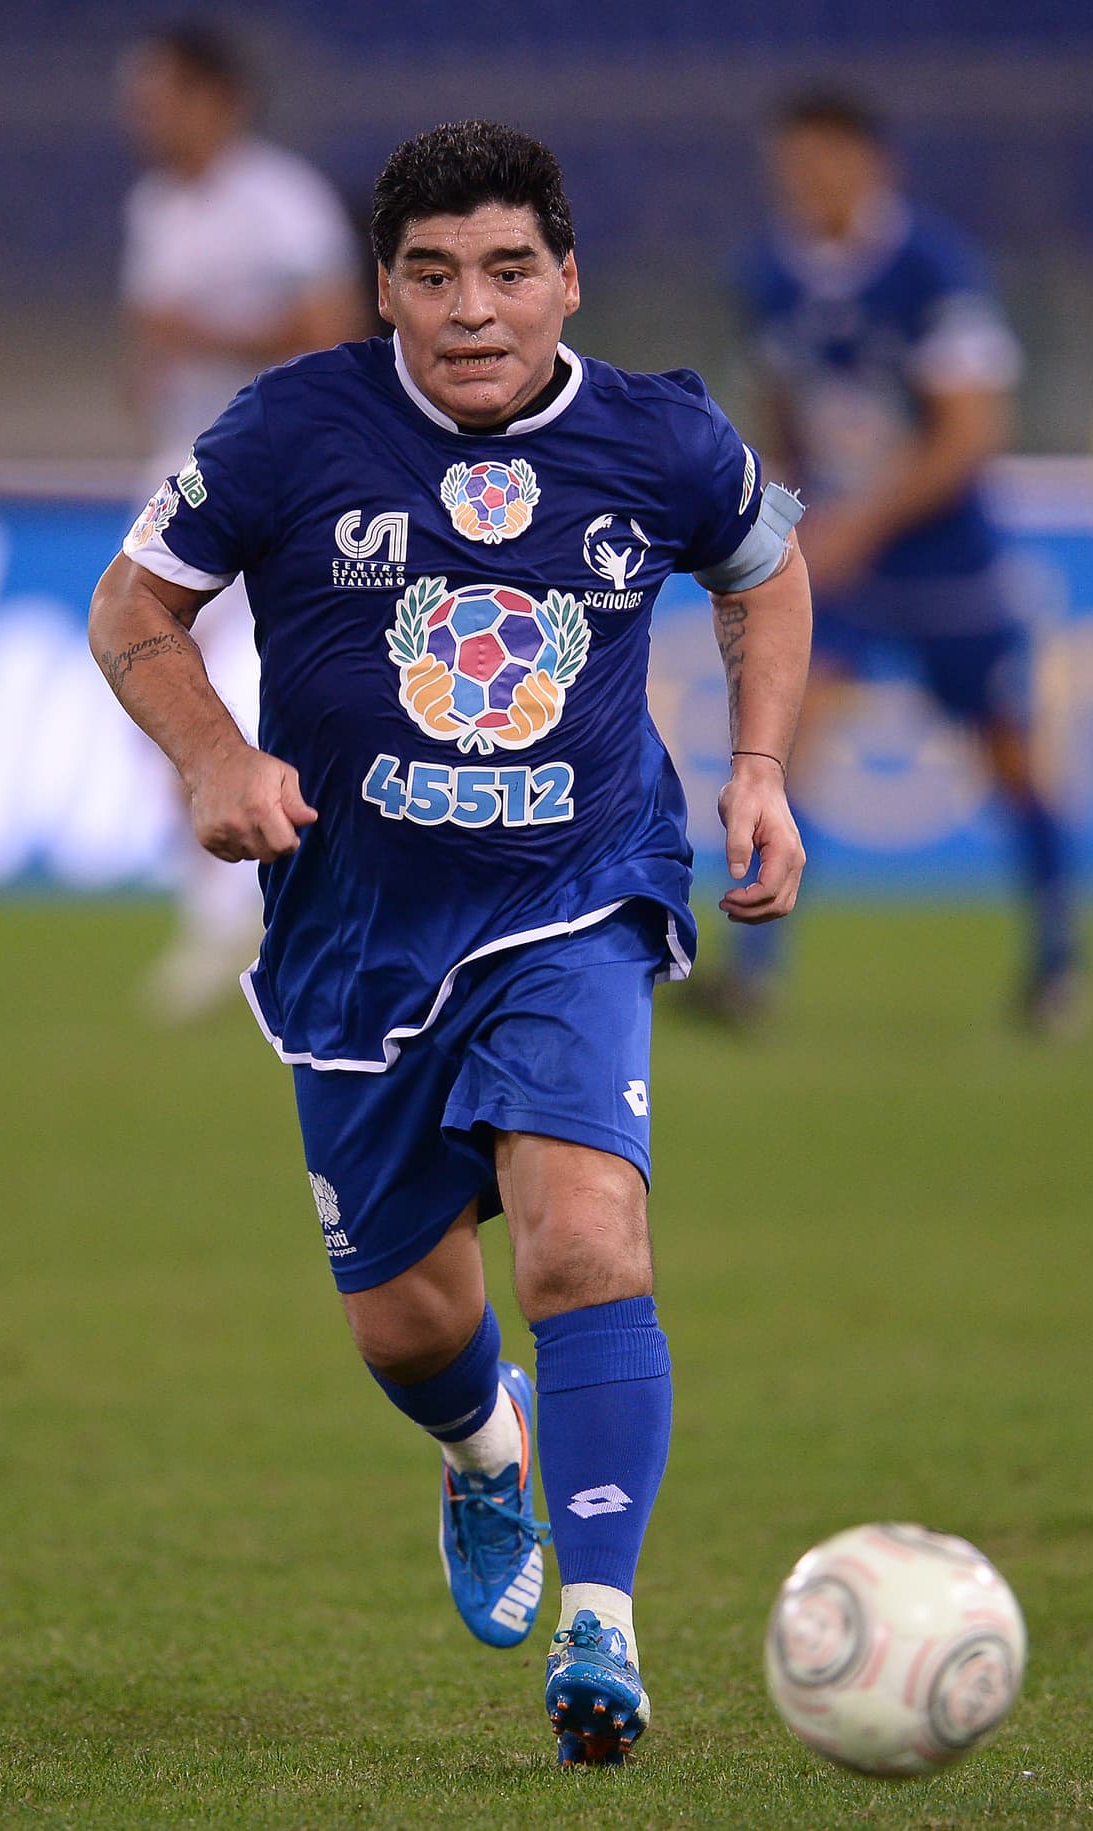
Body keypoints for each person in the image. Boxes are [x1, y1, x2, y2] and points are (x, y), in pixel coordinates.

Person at [90, 120, 811, 1766]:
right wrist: (214, 756)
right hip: (358, 933)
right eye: (432, 275)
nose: (471, 309)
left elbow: (767, 576)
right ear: (386, 290)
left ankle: (605, 1630)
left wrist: (758, 768)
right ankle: (489, 1453)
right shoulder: (292, 429)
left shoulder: (661, 437)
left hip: (575, 896)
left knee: (581, 1245)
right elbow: (133, 609)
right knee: (409, 1326)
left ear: (567, 281)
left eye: (505, 271)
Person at [721, 90, 1087, 1035]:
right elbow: (783, 407)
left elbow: (970, 432)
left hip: (941, 556)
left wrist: (862, 521)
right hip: (842, 553)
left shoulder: (934, 270)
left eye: (825, 160)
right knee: (793, 738)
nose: (806, 180)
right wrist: (785, 518)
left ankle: (1058, 959)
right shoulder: (768, 271)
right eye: (793, 162)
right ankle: (754, 970)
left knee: (1006, 754)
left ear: (871, 164)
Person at [116, 21, 366, 1018]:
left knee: (322, 678)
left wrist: (203, 337)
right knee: (143, 665)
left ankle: (314, 895)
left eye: (158, 92)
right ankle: (213, 905)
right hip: (184, 460)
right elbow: (153, 338)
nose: (141, 113)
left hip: (284, 460)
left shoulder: (281, 201)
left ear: (214, 97)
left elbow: (331, 330)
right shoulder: (154, 205)